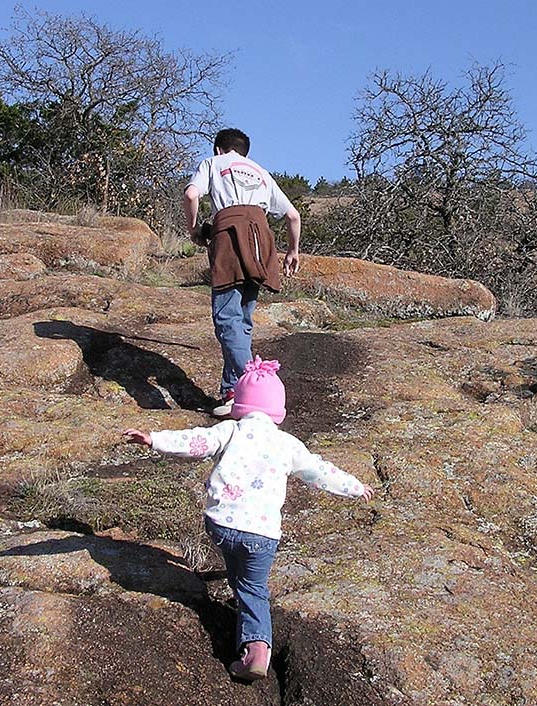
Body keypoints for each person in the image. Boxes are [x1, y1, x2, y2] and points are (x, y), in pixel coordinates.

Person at [122, 357, 374, 681]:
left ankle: (240, 599)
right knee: (254, 587)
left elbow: (195, 441)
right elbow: (319, 471)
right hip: (263, 534)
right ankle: (256, 649)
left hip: (222, 526)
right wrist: (355, 487)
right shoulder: (288, 444)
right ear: (277, 410)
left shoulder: (230, 430)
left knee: (238, 569)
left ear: (239, 403)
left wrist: (154, 439)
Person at [183, 128, 302, 417]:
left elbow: (190, 194)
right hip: (261, 239)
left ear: (218, 149)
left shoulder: (213, 164)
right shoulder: (260, 171)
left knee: (226, 318)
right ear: (244, 151)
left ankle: (257, 385)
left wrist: (194, 229)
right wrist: (292, 251)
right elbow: (293, 215)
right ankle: (232, 393)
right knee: (243, 320)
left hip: (229, 235)